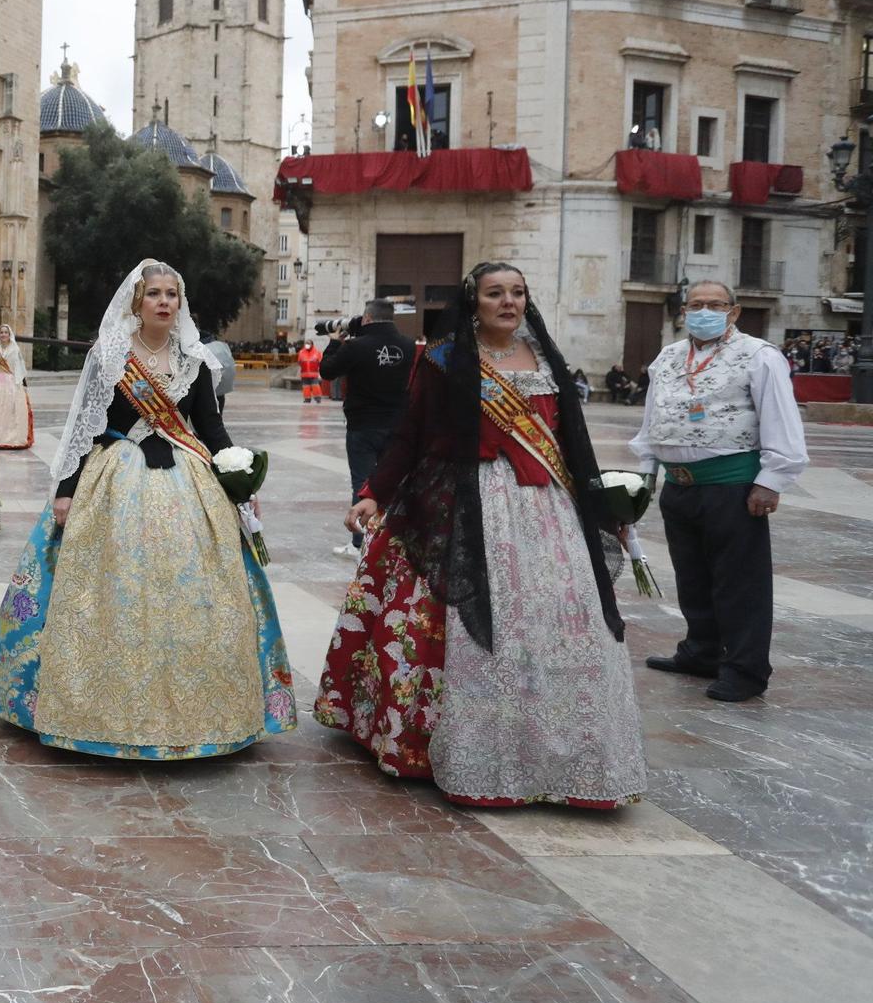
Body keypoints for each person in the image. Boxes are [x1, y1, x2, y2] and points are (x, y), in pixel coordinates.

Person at [316, 261, 646, 808]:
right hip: (469, 501)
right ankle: (464, 746)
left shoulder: (546, 358)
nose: (508, 302)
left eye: (518, 292)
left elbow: (573, 437)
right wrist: (374, 489)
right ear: (475, 301)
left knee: (566, 622)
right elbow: (411, 432)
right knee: (475, 625)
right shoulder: (444, 358)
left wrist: (601, 503)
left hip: (548, 508)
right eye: (496, 293)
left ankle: (569, 753)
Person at [0, 260, 295, 759]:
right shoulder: (110, 357)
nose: (164, 302)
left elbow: (211, 431)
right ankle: (95, 710)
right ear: (137, 302)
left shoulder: (196, 361)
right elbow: (84, 427)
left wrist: (236, 475)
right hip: (115, 480)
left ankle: (201, 713)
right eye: (155, 294)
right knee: (112, 590)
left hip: (188, 484)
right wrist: (65, 490)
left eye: (172, 294)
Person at [630, 280, 807, 702]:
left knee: (739, 582)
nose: (704, 310)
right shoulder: (669, 357)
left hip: (732, 485)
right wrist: (647, 471)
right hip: (680, 484)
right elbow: (652, 418)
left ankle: (745, 670)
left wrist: (771, 480)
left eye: (715, 304)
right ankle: (701, 651)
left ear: (734, 311)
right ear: (683, 310)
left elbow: (780, 418)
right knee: (692, 576)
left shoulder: (759, 356)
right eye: (696, 304)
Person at [318, 300, 414, 554]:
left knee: (362, 483)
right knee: (395, 482)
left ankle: (359, 544)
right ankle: (394, 541)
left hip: (362, 426)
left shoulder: (355, 346)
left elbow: (327, 371)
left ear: (367, 318)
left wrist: (334, 343)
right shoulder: (409, 345)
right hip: (397, 426)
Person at [0, 323, 34, 450]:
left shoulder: (15, 350)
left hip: (11, 383)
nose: (3, 334)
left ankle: (10, 439)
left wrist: (24, 386)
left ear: (10, 335)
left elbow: (19, 369)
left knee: (9, 411)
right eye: (1, 332)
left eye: (6, 332)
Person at [296, 338, 323, 402]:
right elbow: (299, 362)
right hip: (304, 373)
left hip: (314, 373)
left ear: (312, 345)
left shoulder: (317, 352)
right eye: (306, 343)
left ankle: (318, 398)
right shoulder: (301, 352)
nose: (307, 345)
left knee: (315, 386)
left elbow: (320, 362)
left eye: (309, 343)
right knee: (306, 387)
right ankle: (307, 398)